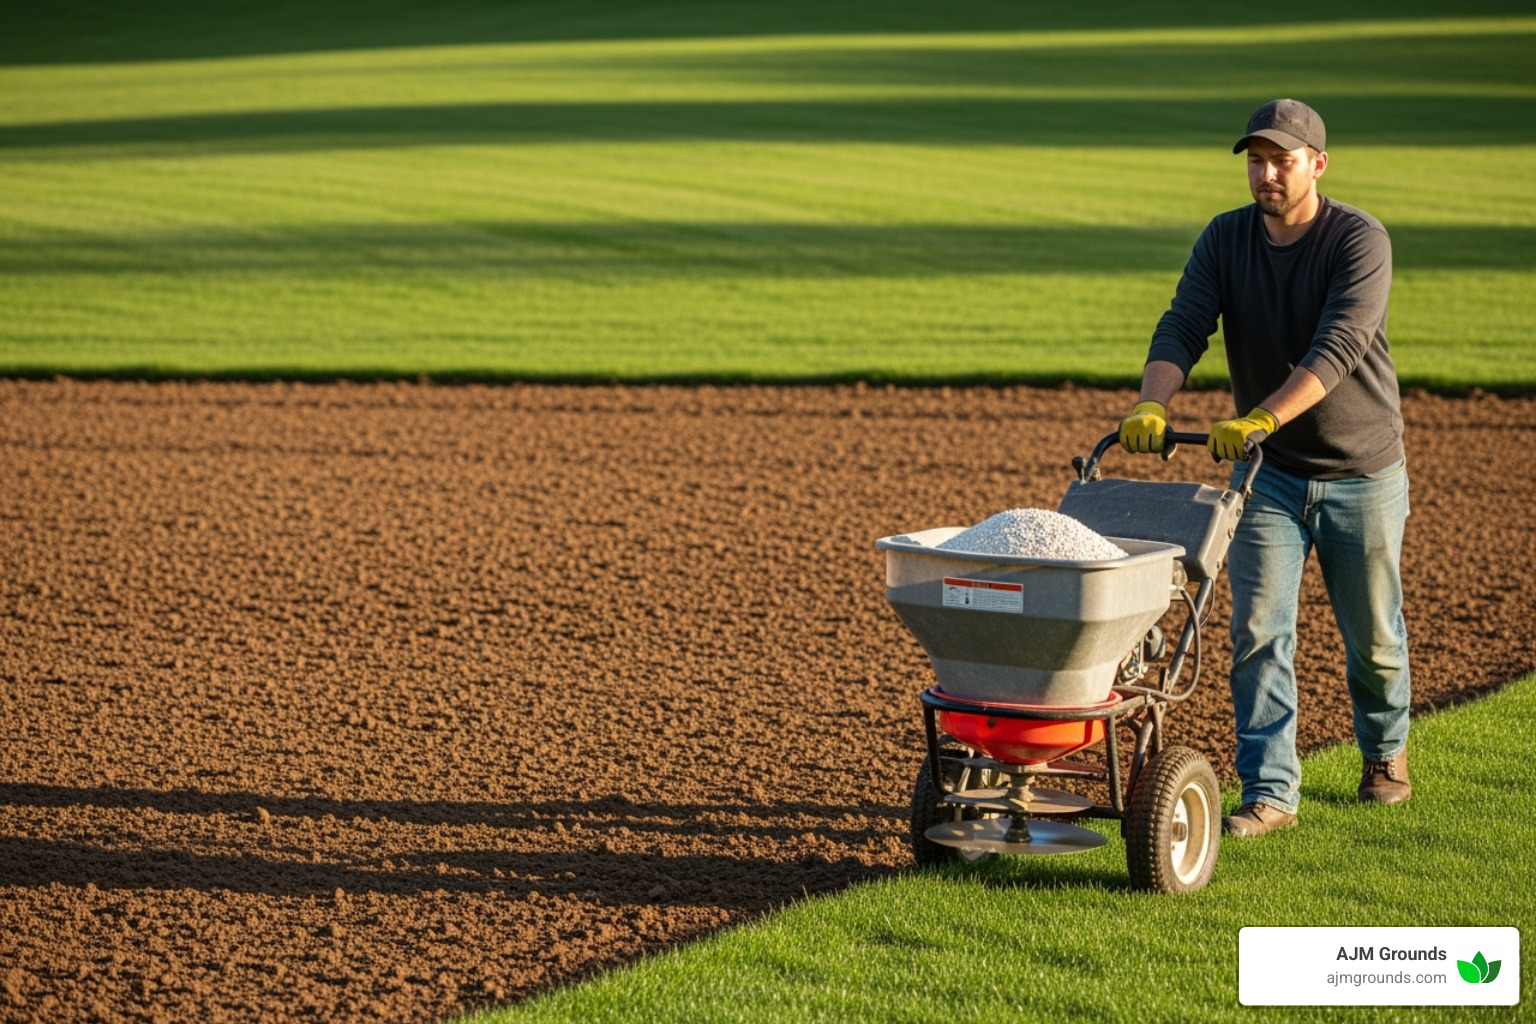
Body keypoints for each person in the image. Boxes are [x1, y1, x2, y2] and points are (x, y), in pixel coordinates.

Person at [1118, 99, 1412, 838]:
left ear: (1317, 163)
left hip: (1361, 472)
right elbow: (1185, 321)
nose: (1267, 173)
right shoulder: (1226, 238)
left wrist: (1259, 416)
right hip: (1269, 477)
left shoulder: (1358, 240)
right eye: (1257, 159)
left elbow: (1338, 348)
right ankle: (1271, 793)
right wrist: (1152, 404)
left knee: (1374, 637)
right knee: (1256, 632)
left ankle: (1384, 754)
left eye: (1283, 159)